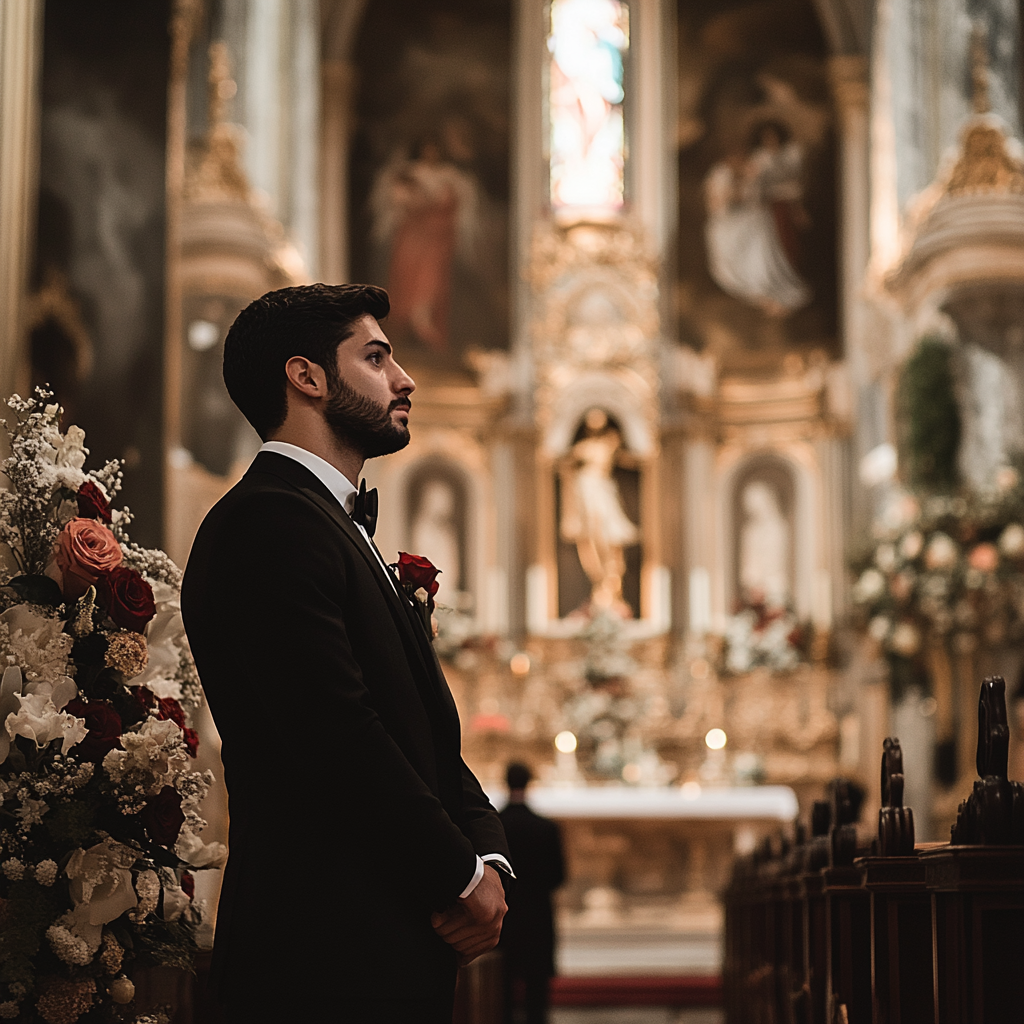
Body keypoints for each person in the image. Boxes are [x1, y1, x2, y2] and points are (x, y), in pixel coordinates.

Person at [180, 283, 512, 1023]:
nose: (405, 379)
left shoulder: (330, 526)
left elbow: (426, 735)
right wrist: (459, 877)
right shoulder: (264, 522)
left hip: (381, 945)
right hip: (318, 957)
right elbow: (336, 733)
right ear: (306, 377)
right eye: (376, 357)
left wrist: (488, 860)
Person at [499, 763, 566, 1024]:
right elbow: (559, 877)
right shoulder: (546, 828)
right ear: (529, 783)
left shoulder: (496, 825)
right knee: (536, 988)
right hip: (537, 915)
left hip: (505, 916)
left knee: (502, 986)